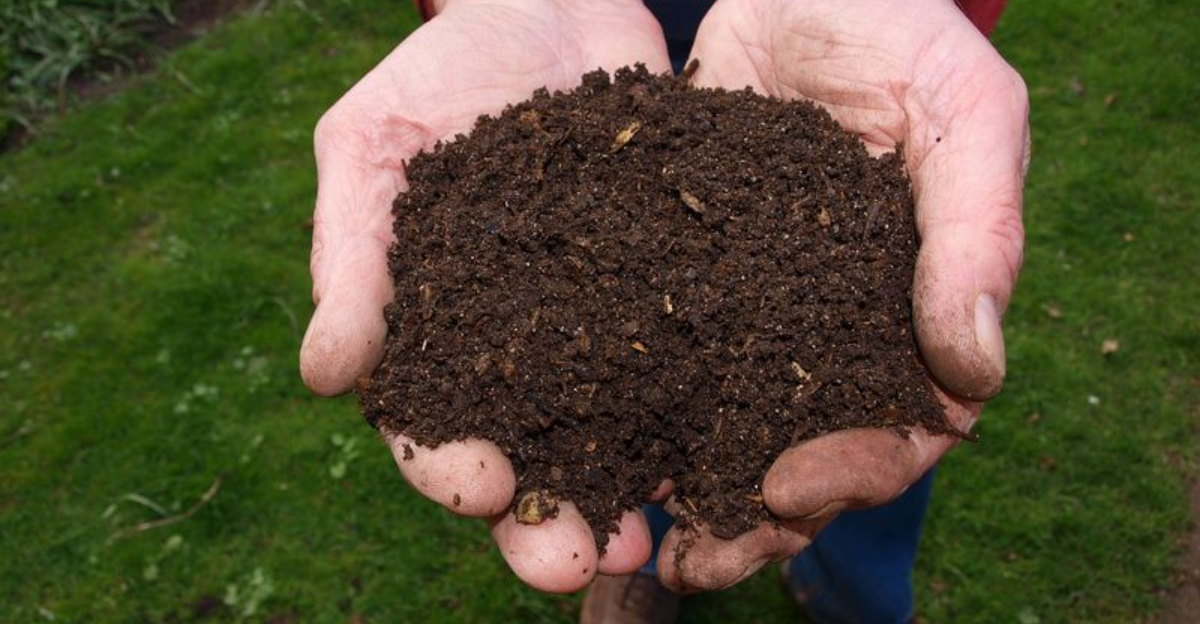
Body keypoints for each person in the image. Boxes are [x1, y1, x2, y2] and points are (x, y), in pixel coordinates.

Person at [299, 0, 1029, 621]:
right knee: (633, 441)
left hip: (813, 33)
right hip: (584, 20)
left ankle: (851, 595)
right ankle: (641, 561)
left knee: (865, 452)